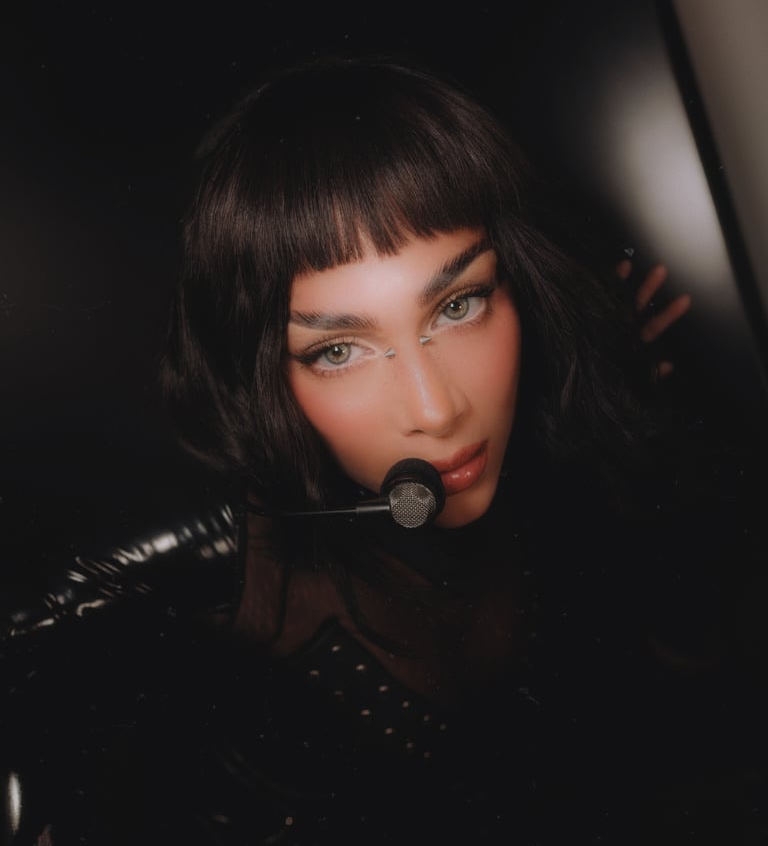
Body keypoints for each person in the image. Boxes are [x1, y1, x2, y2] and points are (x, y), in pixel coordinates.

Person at [3, 57, 764, 845]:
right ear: (267, 380)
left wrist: (615, 404)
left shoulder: (575, 466)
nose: (437, 410)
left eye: (459, 305)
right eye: (339, 351)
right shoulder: (242, 672)